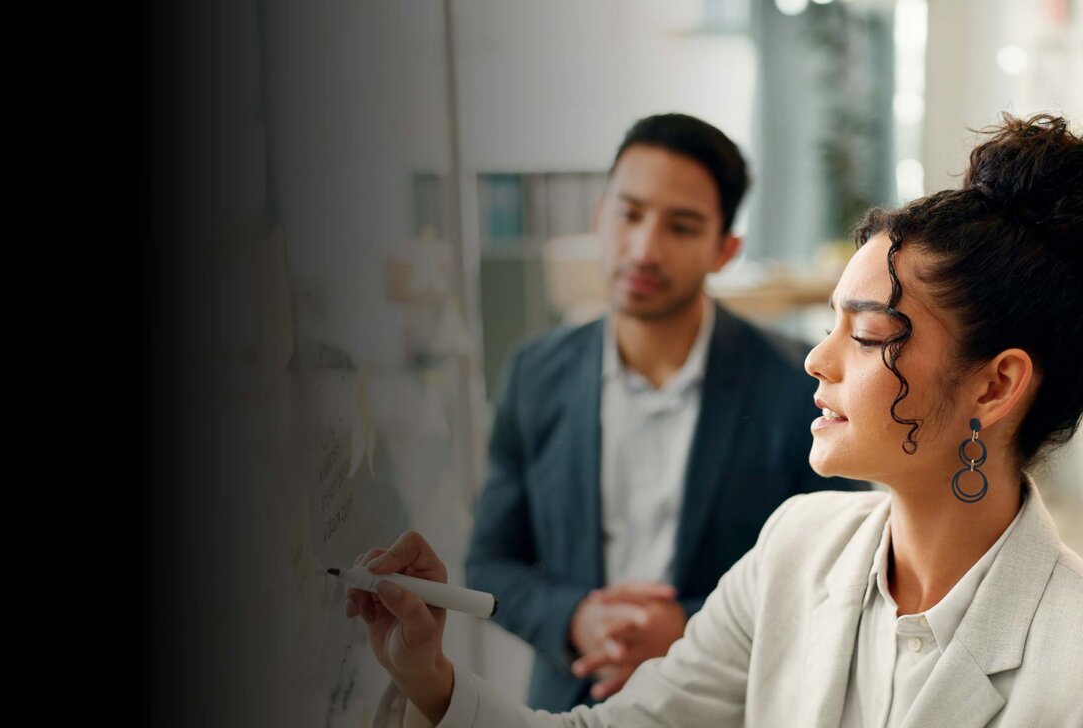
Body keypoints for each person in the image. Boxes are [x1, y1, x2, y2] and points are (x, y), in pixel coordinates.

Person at [349, 112, 1083, 727]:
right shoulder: (796, 548)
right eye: (829, 325)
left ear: (995, 387)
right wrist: (432, 678)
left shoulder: (1069, 654)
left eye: (865, 335)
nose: (817, 361)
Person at [466, 112, 866, 710]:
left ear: (725, 249)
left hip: (727, 706)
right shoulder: (535, 374)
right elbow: (491, 562)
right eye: (629, 215)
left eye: (680, 227)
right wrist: (578, 618)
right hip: (571, 702)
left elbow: (841, 573)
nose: (644, 249)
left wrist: (690, 630)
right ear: (601, 218)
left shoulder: (798, 385)